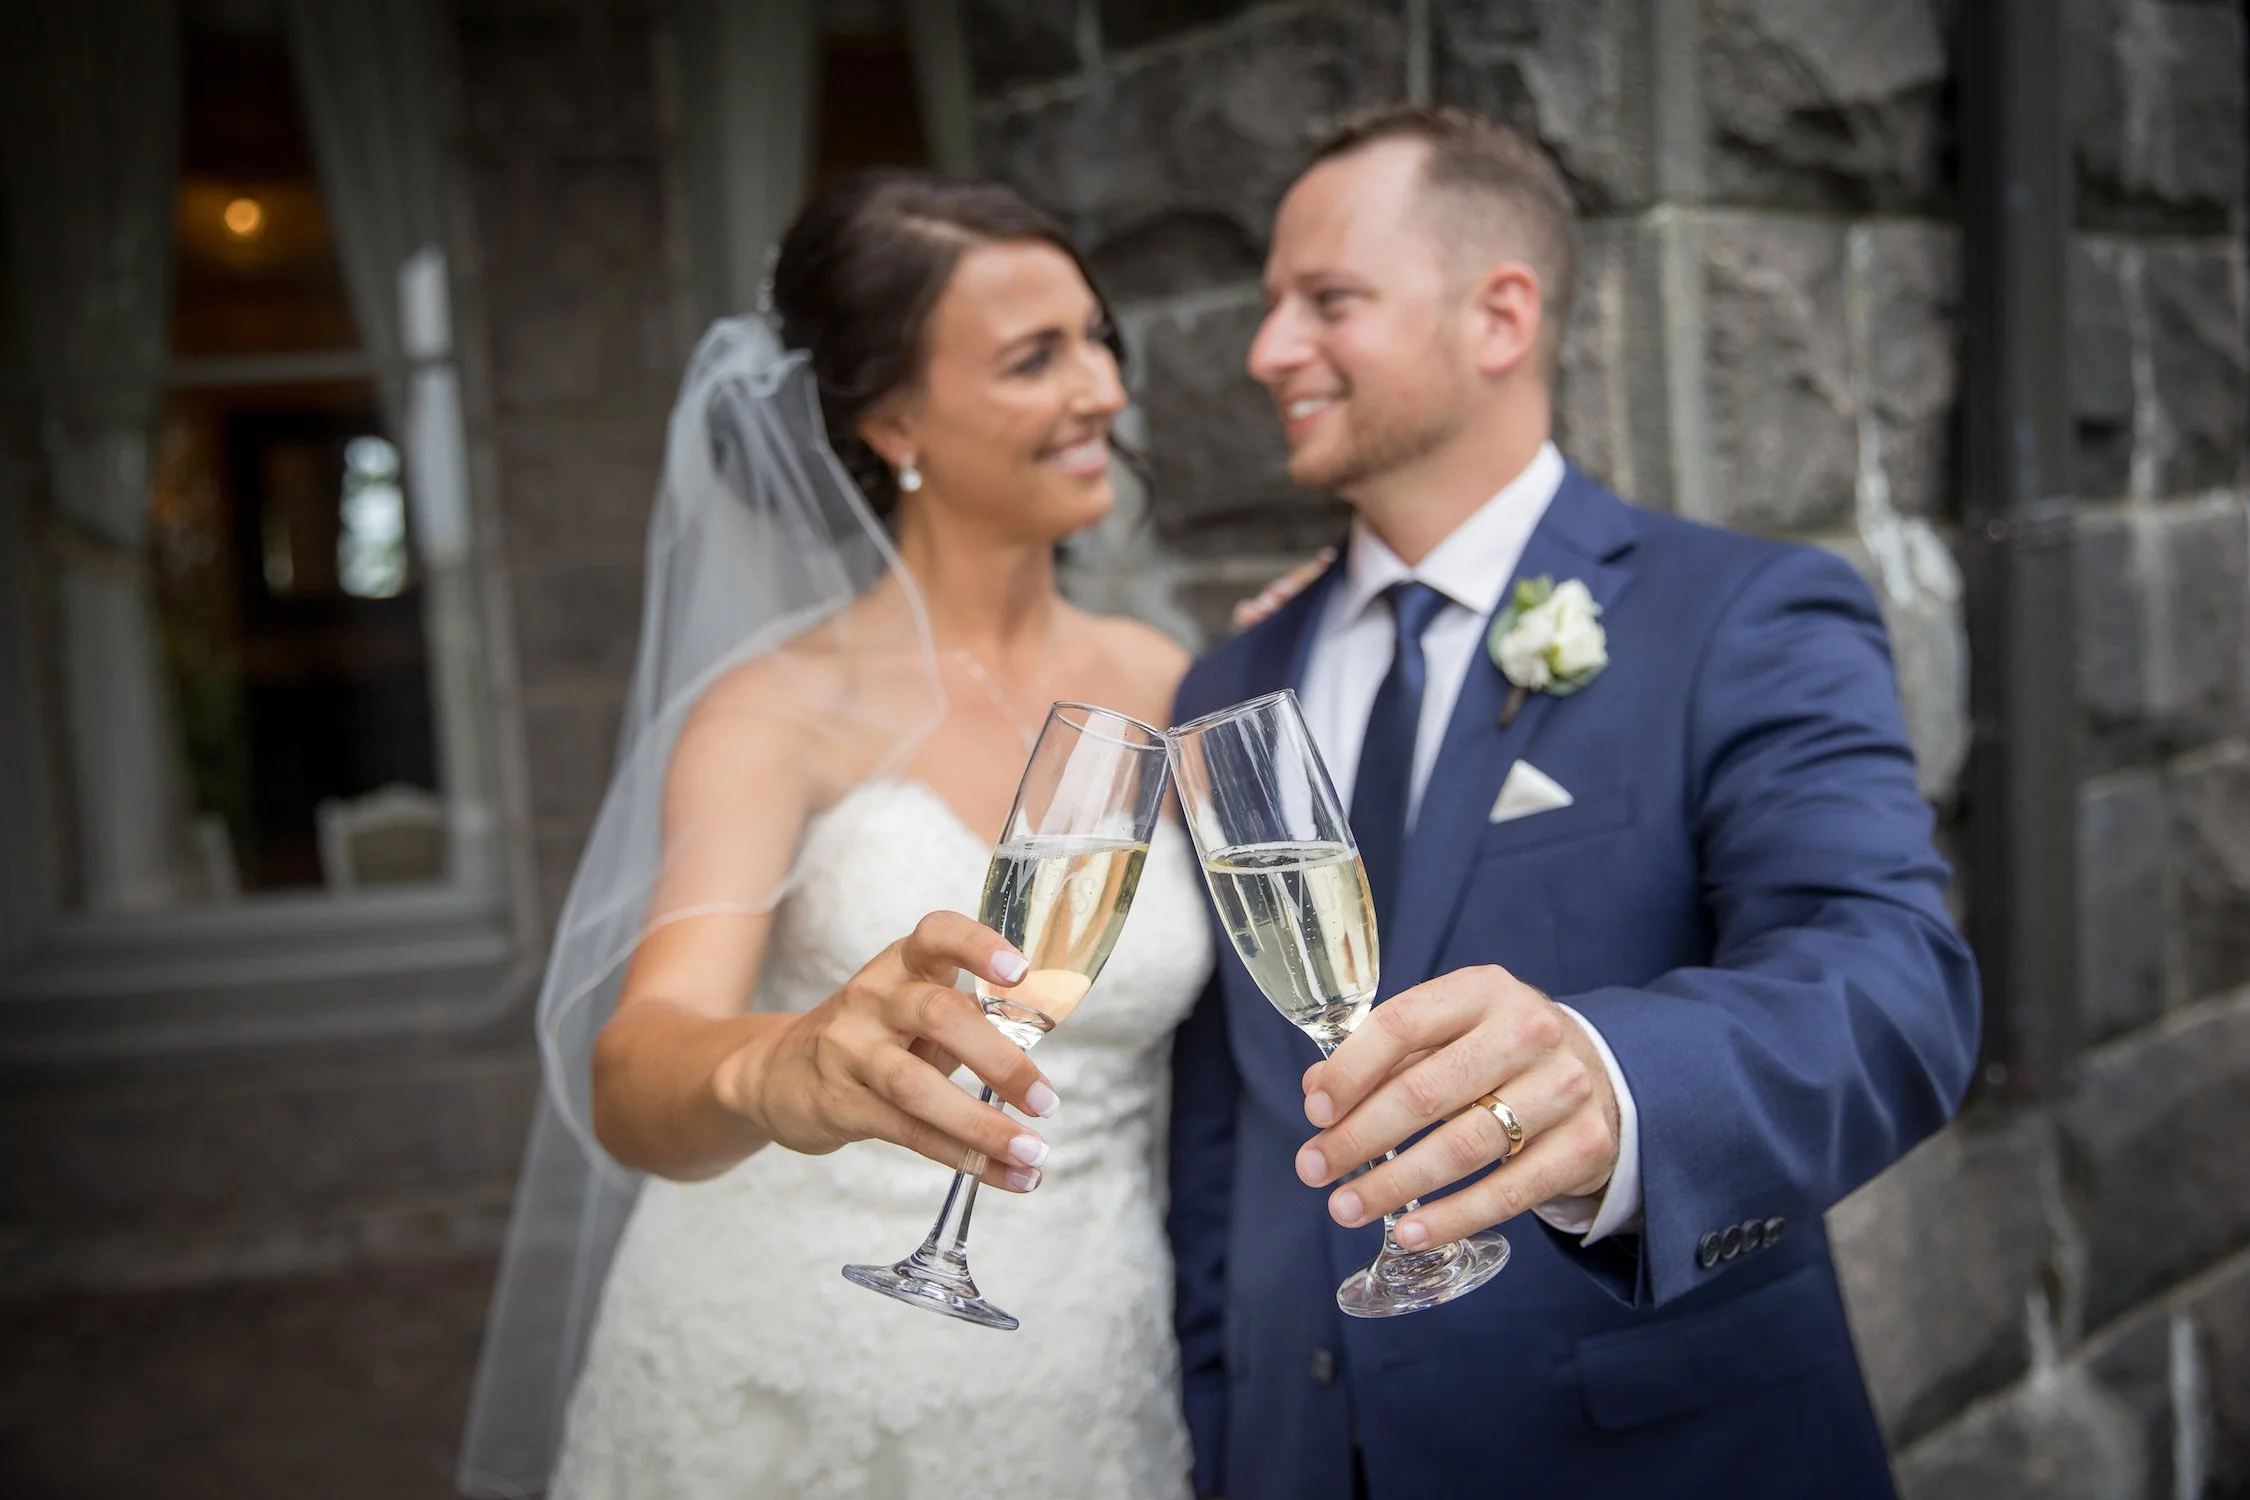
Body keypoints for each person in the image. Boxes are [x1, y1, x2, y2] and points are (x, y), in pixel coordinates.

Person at [1166, 106, 1980, 1500]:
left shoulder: (1739, 613)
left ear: (1499, 316)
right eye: (1269, 304)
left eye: (1328, 300)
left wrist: (1614, 1082)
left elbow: (1894, 985)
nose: (1267, 350)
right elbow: (1219, 1132)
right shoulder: (1231, 682)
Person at [459, 171, 1210, 1500]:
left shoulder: (1167, 684)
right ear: (890, 418)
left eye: (1097, 340)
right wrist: (774, 1067)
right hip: (778, 1382)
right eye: (1034, 358)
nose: (1101, 389)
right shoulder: (776, 712)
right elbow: (634, 1070)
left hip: (1086, 1358)